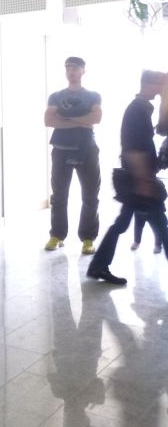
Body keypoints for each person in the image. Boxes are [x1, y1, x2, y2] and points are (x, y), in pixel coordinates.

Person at [87, 70, 168, 285]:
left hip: (138, 180)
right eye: (162, 84)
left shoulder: (141, 108)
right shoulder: (137, 110)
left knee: (124, 224)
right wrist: (144, 182)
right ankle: (98, 266)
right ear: (151, 84)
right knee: (161, 226)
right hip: (140, 181)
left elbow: (154, 135)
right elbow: (133, 149)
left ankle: (98, 266)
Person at [44, 56, 101, 254]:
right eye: (68, 68)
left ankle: (88, 238)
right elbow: (48, 120)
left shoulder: (93, 95)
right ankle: (57, 235)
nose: (71, 72)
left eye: (75, 68)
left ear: (83, 71)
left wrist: (65, 118)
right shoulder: (55, 96)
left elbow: (97, 117)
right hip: (61, 149)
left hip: (87, 149)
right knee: (59, 195)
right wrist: (82, 121)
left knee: (90, 195)